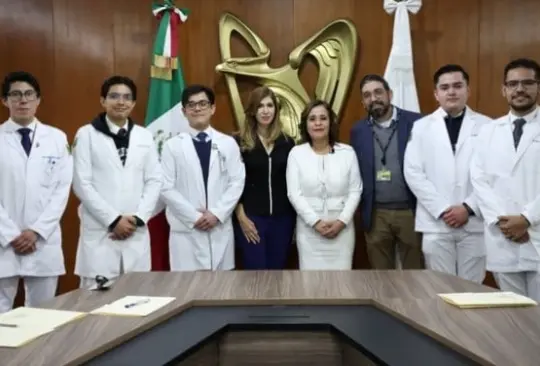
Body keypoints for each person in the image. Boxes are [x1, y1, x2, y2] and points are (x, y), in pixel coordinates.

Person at [72, 76, 162, 289]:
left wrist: (139, 218)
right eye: (114, 96)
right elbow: (81, 184)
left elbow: (154, 180)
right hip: (101, 234)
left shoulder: (144, 136)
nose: (120, 102)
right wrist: (113, 220)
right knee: (95, 307)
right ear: (103, 101)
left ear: (133, 103)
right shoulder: (86, 135)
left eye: (126, 97)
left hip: (135, 231)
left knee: (138, 301)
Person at [404, 64, 491, 283]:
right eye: (445, 87)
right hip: (436, 223)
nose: (451, 92)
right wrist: (443, 210)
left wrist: (468, 208)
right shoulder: (421, 127)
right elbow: (413, 172)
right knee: (440, 288)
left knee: (473, 290)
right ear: (436, 94)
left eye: (457, 86)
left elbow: (493, 175)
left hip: (474, 223)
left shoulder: (488, 126)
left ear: (467, 90)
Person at [0, 71, 72, 312]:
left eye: (29, 94)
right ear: (5, 100)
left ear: (38, 100)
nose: (23, 100)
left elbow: (61, 190)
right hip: (3, 244)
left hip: (43, 242)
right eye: (16, 95)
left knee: (42, 316)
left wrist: (37, 231)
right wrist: (10, 234)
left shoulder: (56, 138)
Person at [471, 58, 540, 300]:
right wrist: (504, 222)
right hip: (503, 237)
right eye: (513, 84)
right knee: (513, 318)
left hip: (537, 232)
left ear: (538, 86)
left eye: (527, 83)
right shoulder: (489, 131)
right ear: (504, 90)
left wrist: (527, 219)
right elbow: (478, 179)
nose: (519, 89)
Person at [161, 84, 245, 271]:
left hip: (219, 229)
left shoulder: (228, 143)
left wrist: (217, 213)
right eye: (191, 105)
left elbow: (237, 182)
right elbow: (165, 187)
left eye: (202, 103)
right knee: (188, 290)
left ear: (212, 108)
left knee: (220, 291)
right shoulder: (172, 146)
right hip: (186, 232)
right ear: (184, 111)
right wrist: (194, 217)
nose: (197, 108)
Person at [350, 74, 424, 270]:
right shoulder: (358, 130)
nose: (373, 98)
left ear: (390, 94)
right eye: (367, 95)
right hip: (376, 214)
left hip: (410, 211)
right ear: (363, 102)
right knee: (381, 276)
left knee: (416, 273)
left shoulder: (417, 123)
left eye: (378, 92)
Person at [286, 99, 362, 270]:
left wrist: (341, 222)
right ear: (305, 124)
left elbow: (355, 191)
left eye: (323, 118)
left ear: (331, 122)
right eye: (312, 119)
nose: (318, 123)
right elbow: (294, 193)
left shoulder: (347, 153)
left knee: (342, 286)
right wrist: (315, 222)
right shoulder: (296, 154)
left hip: (342, 231)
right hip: (309, 231)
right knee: (311, 287)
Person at [233, 86, 296, 270]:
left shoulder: (287, 142)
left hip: (283, 219)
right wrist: (241, 216)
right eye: (260, 106)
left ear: (276, 110)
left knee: (278, 273)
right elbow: (233, 183)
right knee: (256, 274)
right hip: (252, 218)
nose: (266, 110)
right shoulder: (239, 142)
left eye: (270, 105)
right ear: (252, 110)